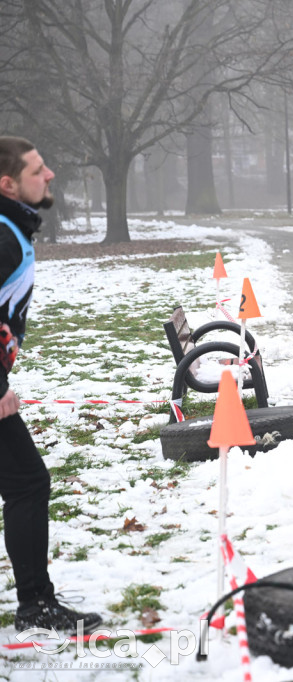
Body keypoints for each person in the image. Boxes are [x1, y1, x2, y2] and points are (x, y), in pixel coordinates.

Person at [0, 136, 103, 633]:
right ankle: (36, 606)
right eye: (38, 169)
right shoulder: (2, 234)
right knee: (27, 482)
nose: (50, 175)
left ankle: (36, 603)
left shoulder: (12, 230)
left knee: (26, 482)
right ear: (8, 184)